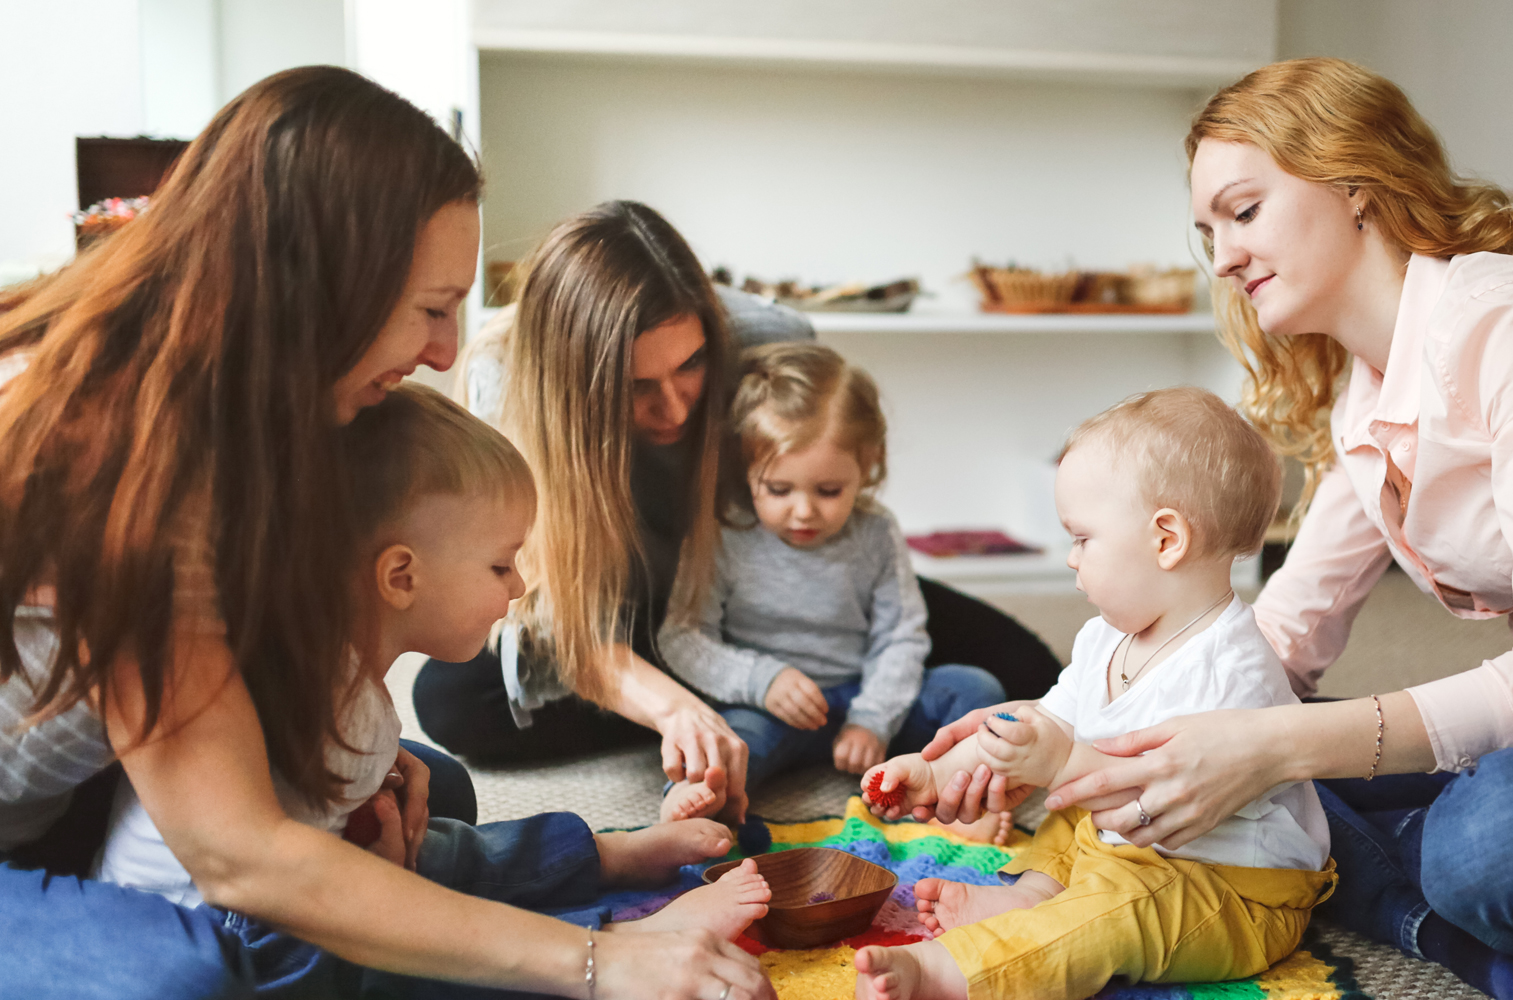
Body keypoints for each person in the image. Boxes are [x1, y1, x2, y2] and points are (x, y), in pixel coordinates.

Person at [920, 58, 1513, 1000]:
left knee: (1485, 828)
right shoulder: (1364, 395)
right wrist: (1039, 738)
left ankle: (1398, 882)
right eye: (1207, 230)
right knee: (1232, 769)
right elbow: (1271, 645)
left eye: (1243, 212)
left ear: (1355, 185)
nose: (1223, 256)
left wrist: (1267, 753)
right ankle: (1438, 929)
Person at [0, 66, 771, 1000]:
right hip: (50, 830)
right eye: (432, 308)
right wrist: (601, 963)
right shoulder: (113, 451)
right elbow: (239, 857)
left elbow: (223, 656)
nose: (447, 352)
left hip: (87, 794)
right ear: (319, 283)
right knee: (187, 976)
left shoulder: (252, 402)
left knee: (417, 787)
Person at [91, 383, 774, 989]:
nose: (520, 586)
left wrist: (382, 860)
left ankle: (605, 855)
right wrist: (383, 878)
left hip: (292, 881)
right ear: (401, 577)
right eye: (501, 565)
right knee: (394, 963)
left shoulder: (339, 676)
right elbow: (327, 903)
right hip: (219, 941)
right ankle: (618, 940)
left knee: (437, 840)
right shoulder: (315, 709)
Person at [412, 203, 1062, 820]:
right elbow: (555, 616)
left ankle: (754, 692)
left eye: (691, 366)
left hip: (773, 577)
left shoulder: (769, 338)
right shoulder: (508, 377)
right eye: (637, 388)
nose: (674, 409)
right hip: (621, 600)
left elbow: (817, 478)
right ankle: (714, 698)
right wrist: (670, 708)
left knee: (1027, 671)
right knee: (455, 698)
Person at [851, 387, 1335, 1000]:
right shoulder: (1105, 636)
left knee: (1112, 917)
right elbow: (1048, 722)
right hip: (1124, 842)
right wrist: (938, 768)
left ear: (1166, 540)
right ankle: (1028, 897)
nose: (1072, 560)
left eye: (1083, 539)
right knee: (1065, 822)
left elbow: (1162, 793)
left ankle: (949, 972)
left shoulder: (1231, 670)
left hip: (1223, 884)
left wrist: (1056, 761)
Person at [655, 343, 1009, 841]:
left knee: (976, 692)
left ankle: (965, 798)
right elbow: (683, 637)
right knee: (721, 742)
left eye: (828, 492)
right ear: (744, 469)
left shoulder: (876, 532)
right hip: (765, 707)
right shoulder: (721, 533)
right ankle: (693, 804)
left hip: (862, 693)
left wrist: (872, 719)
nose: (804, 512)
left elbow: (902, 636)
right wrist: (762, 681)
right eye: (779, 490)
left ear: (868, 468)